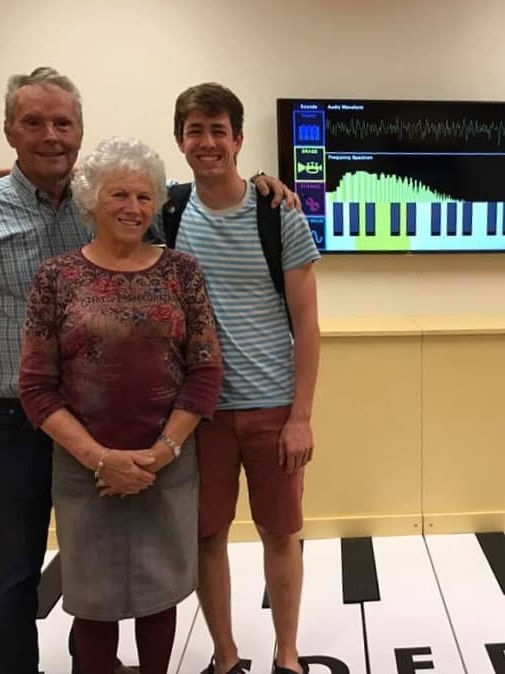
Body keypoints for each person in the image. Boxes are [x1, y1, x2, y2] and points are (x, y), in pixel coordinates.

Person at [0, 66, 294, 674]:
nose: (50, 134)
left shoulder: (120, 210)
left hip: (126, 434)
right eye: (33, 123)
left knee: (113, 578)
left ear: (79, 132)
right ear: (8, 131)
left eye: (63, 123)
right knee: (18, 571)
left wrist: (258, 179)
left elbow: (182, 190)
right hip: (13, 424)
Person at [19, 135, 222, 674]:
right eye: (118, 195)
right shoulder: (56, 278)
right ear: (91, 199)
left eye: (143, 196)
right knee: (94, 602)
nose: (133, 208)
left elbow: (205, 371)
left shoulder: (182, 272)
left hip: (168, 465)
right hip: (86, 471)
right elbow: (36, 386)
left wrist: (160, 454)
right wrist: (99, 459)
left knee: (161, 592)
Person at [161, 83, 320, 674]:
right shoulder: (166, 213)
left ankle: (286, 653)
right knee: (208, 539)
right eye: (195, 131)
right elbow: (92, 195)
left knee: (281, 534)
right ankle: (225, 656)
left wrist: (301, 415)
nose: (207, 142)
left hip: (274, 409)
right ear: (180, 141)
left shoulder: (279, 214)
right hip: (198, 414)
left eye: (218, 130)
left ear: (238, 139)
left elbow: (307, 326)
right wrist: (9, 170)